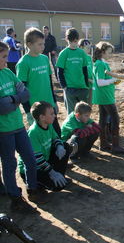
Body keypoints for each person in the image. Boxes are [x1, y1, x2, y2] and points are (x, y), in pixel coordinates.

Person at [0, 41, 47, 213]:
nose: (7, 60)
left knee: (30, 157)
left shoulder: (7, 72)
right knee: (9, 164)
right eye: (4, 56)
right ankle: (15, 198)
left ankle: (33, 189)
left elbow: (25, 94)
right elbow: (1, 107)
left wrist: (10, 99)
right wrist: (15, 98)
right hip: (4, 131)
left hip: (19, 126)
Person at [16, 28, 60, 135]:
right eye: (40, 44)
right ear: (29, 44)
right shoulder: (23, 63)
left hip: (49, 104)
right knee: (41, 136)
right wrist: (28, 111)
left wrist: (54, 102)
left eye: (43, 44)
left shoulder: (44, 58)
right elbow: (21, 90)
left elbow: (49, 82)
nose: (43, 47)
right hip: (36, 108)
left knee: (56, 133)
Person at [18, 101, 71, 191]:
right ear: (42, 117)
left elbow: (55, 138)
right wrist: (52, 172)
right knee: (58, 187)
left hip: (44, 161)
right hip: (36, 167)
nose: (54, 115)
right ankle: (35, 184)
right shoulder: (33, 132)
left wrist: (59, 146)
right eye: (51, 114)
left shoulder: (48, 124)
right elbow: (37, 158)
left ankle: (59, 176)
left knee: (65, 146)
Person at [92, 41, 124, 154]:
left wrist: (114, 82)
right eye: (108, 52)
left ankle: (103, 144)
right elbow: (100, 82)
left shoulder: (102, 63)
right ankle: (115, 145)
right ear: (102, 52)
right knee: (115, 119)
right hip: (105, 97)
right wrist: (113, 80)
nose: (110, 54)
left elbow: (105, 80)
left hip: (105, 95)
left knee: (103, 119)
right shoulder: (99, 64)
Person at [56, 28, 89, 114]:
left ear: (77, 40)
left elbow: (84, 69)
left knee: (83, 112)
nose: (74, 43)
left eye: (75, 41)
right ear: (67, 40)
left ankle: (83, 128)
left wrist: (86, 84)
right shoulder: (64, 53)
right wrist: (64, 86)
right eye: (71, 41)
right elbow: (60, 71)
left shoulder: (81, 53)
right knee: (72, 113)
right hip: (70, 88)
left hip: (82, 87)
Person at [78, 39, 94, 105]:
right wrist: (89, 80)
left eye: (90, 48)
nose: (89, 49)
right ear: (81, 47)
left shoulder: (89, 58)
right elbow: (79, 73)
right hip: (82, 86)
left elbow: (92, 70)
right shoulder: (79, 58)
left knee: (89, 104)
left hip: (90, 85)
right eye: (87, 48)